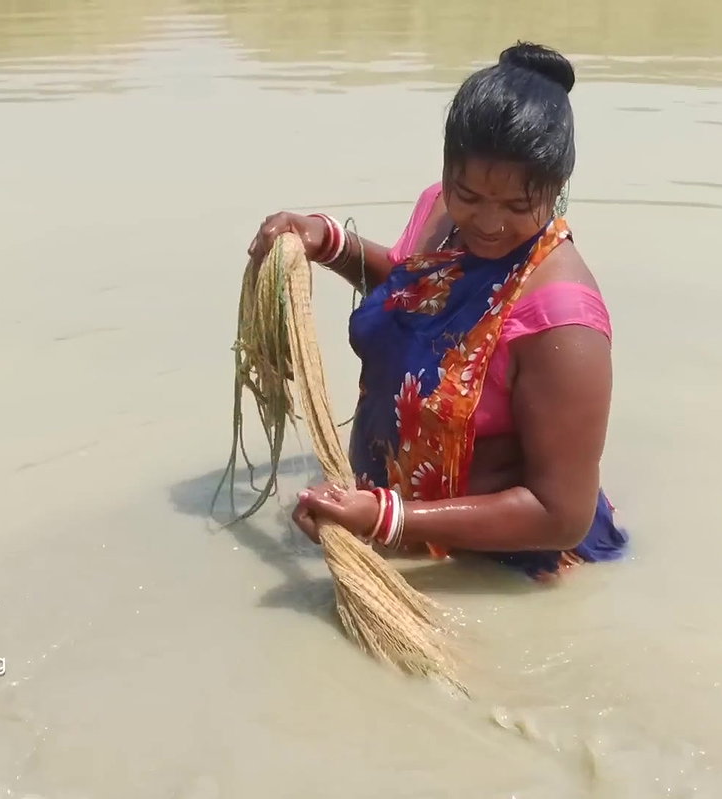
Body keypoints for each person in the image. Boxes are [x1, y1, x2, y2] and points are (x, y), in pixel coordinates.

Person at [247, 42, 628, 582]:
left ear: (557, 190)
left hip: (504, 570)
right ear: (446, 169)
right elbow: (416, 299)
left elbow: (561, 515)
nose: (488, 223)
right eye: (469, 194)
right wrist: (329, 242)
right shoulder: (443, 212)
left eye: (519, 206)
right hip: (390, 524)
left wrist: (385, 519)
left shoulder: (563, 322)